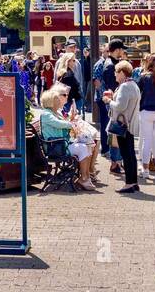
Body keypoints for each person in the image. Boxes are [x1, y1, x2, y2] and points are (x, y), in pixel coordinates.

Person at [38, 86, 98, 189]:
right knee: (83, 148)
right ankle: (84, 178)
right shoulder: (47, 114)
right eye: (56, 99)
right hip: (56, 147)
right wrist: (72, 124)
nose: (58, 101)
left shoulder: (53, 113)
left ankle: (85, 178)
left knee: (88, 146)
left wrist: (71, 122)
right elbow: (59, 123)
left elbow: (64, 123)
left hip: (61, 144)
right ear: (51, 101)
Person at [104, 60, 142, 194]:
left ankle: (129, 184)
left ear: (121, 72)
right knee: (131, 154)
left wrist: (109, 101)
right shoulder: (134, 85)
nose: (115, 75)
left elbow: (120, 106)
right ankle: (134, 182)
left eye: (116, 72)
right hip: (130, 125)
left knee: (126, 155)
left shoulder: (125, 87)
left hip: (123, 126)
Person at [94, 41, 124, 173]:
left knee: (114, 131)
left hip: (110, 102)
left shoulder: (109, 63)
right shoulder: (111, 66)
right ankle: (116, 162)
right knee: (116, 131)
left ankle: (116, 161)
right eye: (122, 49)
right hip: (113, 104)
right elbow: (113, 87)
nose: (123, 52)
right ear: (117, 50)